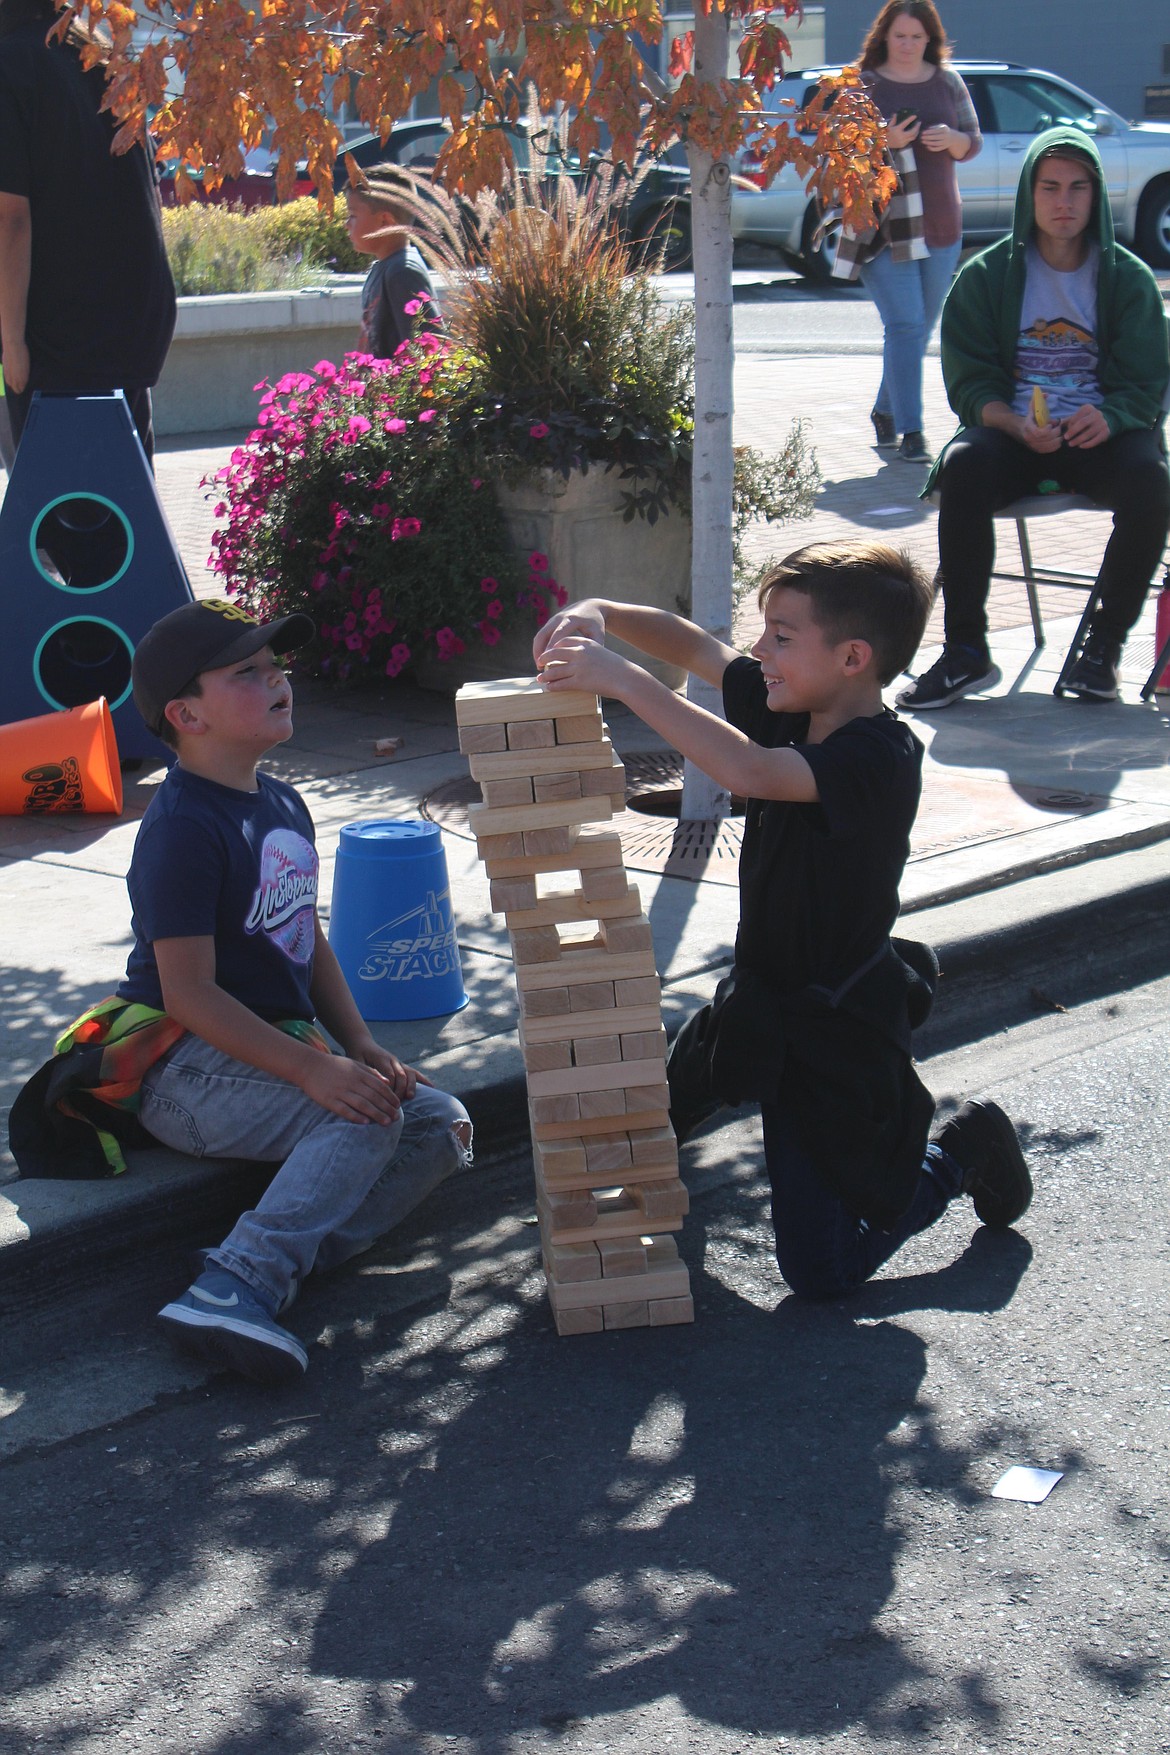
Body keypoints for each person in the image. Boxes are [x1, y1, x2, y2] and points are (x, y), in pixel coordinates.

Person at [532, 543, 1032, 1302]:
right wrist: (597, 613)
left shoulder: (879, 756)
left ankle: (962, 1150)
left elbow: (751, 772)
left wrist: (622, 680)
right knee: (641, 1123)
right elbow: (696, 645)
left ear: (853, 657)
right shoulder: (790, 699)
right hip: (760, 996)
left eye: (781, 637)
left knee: (820, 1271)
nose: (758, 652)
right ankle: (678, 1120)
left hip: (833, 1028)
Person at [10, 599, 472, 1386]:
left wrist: (357, 1044)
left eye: (276, 666)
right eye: (248, 672)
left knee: (440, 1123)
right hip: (182, 1064)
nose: (277, 679)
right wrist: (313, 1072)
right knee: (361, 1115)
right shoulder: (183, 828)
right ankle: (235, 1287)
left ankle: (259, 1260)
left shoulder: (281, 802)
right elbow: (188, 995)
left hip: (266, 1054)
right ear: (186, 714)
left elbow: (307, 934)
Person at [900, 128, 1170, 709]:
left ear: (1096, 196)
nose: (1063, 202)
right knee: (965, 466)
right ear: (1029, 192)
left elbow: (1148, 382)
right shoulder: (985, 276)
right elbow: (968, 380)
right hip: (1016, 435)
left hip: (1101, 434)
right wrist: (1011, 422)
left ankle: (1102, 651)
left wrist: (1115, 414)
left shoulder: (1128, 278)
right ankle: (966, 652)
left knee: (1151, 480)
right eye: (1050, 187)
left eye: (1078, 188)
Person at [0, 0, 175, 464]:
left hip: (60, 335)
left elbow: (10, 217)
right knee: (128, 509)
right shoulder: (95, 58)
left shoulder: (9, 66)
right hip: (132, 319)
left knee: (57, 513)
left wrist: (11, 341)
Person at [832, 0, 980, 464]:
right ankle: (912, 432)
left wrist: (952, 141)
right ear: (884, 36)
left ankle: (884, 409)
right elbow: (838, 150)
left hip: (940, 224)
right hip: (881, 228)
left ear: (930, 40)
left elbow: (972, 140)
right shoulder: (861, 83)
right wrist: (883, 142)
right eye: (901, 36)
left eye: (918, 37)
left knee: (916, 331)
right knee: (905, 325)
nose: (909, 45)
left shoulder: (947, 80)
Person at [346, 165, 442, 360]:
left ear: (385, 221)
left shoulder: (403, 272)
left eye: (353, 215)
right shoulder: (382, 268)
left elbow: (428, 349)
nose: (346, 224)